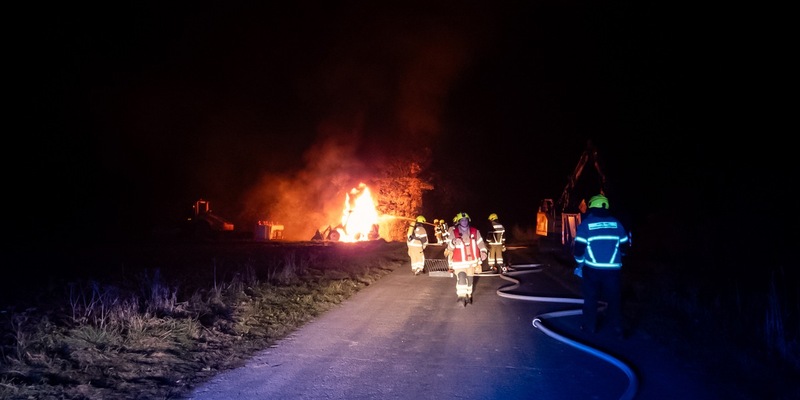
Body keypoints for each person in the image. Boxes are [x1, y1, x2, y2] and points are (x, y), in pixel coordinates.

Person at [572, 194, 630, 338]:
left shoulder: (586, 225)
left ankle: (590, 327)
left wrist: (580, 264)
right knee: (614, 300)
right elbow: (624, 247)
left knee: (591, 299)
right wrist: (618, 257)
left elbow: (578, 249)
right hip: (613, 271)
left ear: (592, 207)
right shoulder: (617, 223)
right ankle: (617, 329)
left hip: (592, 270)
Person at [447, 212, 487, 306]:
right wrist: (453, 242)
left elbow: (481, 243)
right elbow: (449, 248)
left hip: (472, 262)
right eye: (462, 220)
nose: (464, 222)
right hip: (459, 262)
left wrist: (483, 251)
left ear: (468, 220)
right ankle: (461, 297)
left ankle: (468, 295)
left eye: (465, 220)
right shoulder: (454, 232)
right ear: (459, 221)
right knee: (461, 276)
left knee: (470, 280)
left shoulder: (475, 231)